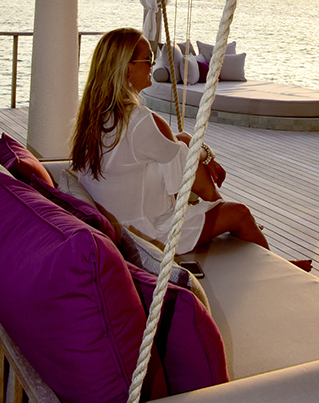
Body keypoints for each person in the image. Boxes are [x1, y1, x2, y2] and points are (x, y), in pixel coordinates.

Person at [70, 27, 269, 254]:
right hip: (145, 234)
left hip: (118, 223)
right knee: (240, 213)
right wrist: (207, 155)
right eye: (148, 59)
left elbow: (175, 146)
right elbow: (185, 163)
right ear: (127, 68)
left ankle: (218, 206)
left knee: (181, 144)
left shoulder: (95, 116)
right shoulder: (138, 120)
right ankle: (276, 266)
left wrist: (195, 147)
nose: (153, 64)